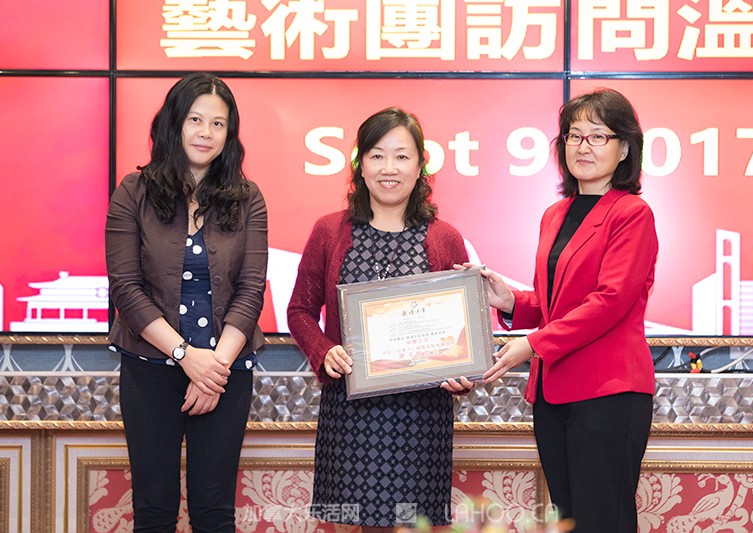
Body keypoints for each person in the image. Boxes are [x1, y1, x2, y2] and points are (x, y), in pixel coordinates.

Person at [478, 88, 658, 533]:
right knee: (570, 522)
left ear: (624, 149)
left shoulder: (632, 213)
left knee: (603, 522)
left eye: (598, 136)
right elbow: (556, 303)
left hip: (608, 393)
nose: (583, 146)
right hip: (554, 394)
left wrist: (532, 344)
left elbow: (610, 300)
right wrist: (509, 301)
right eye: (573, 135)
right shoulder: (555, 214)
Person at [287, 107, 474, 531]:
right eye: (377, 155)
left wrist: (462, 372)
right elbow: (300, 310)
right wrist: (324, 350)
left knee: (412, 524)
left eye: (402, 156)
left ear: (421, 165)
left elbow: (462, 327)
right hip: (350, 410)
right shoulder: (329, 231)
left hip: (421, 418)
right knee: (352, 523)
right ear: (360, 164)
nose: (389, 168)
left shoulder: (445, 238)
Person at [105, 72, 268, 532]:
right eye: (196, 120)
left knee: (214, 513)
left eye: (218, 124)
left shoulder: (248, 198)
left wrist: (213, 368)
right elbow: (126, 288)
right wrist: (184, 356)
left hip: (225, 371)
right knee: (154, 510)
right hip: (149, 367)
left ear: (229, 134)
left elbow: (251, 289)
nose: (206, 133)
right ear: (174, 122)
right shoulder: (132, 192)